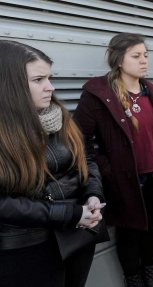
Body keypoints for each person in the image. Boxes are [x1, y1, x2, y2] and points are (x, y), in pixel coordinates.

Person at [74, 33, 153, 287]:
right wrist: (107, 169)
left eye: (146, 55)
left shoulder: (150, 93)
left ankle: (151, 276)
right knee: (129, 235)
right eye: (136, 56)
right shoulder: (98, 94)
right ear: (119, 59)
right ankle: (133, 280)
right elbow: (78, 139)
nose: (144, 61)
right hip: (124, 182)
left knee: (150, 230)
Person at [0, 40, 104, 287]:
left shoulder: (59, 116)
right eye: (38, 80)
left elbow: (86, 160)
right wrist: (70, 213)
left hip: (77, 233)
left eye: (49, 77)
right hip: (28, 246)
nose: (50, 87)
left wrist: (93, 194)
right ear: (10, 85)